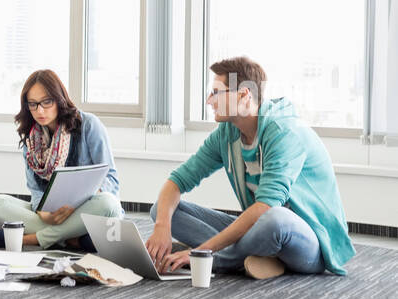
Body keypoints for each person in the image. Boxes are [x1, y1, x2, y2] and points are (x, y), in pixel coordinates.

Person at [146, 56, 356, 280]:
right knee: (163, 209)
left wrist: (203, 250)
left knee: (275, 219)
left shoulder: (283, 132)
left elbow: (265, 208)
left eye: (216, 92)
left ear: (244, 95)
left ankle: (211, 259)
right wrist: (161, 227)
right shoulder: (226, 134)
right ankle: (255, 257)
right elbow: (178, 181)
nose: (209, 101)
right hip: (258, 229)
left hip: (309, 242)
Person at [0, 69, 123, 251]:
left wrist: (74, 206)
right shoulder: (30, 139)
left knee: (108, 204)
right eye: (33, 104)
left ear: (59, 98)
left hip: (88, 209)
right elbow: (35, 191)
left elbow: (111, 181)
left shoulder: (89, 125)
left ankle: (35, 239)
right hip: (52, 216)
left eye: (46, 102)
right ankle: (71, 238)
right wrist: (44, 214)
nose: (40, 110)